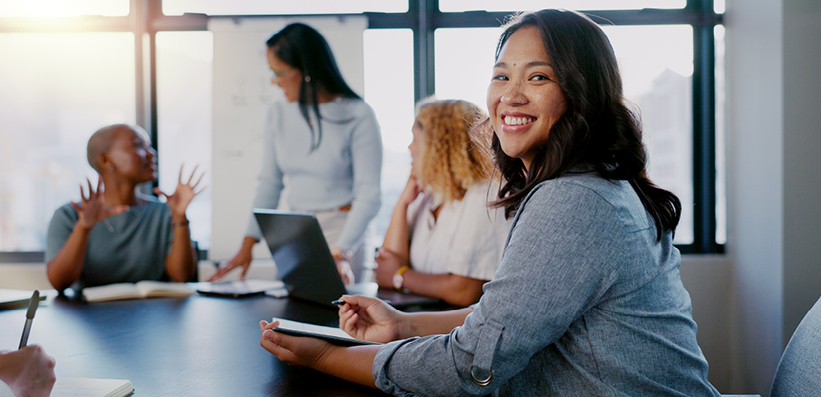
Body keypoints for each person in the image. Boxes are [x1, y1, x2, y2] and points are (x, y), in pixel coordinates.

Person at [258, 9, 721, 396]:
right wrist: (402, 325)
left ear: (581, 94)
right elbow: (504, 319)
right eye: (501, 76)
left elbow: (469, 367)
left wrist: (323, 355)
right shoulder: (584, 185)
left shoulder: (574, 200)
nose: (510, 96)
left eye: (538, 76)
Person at [209, 22, 382, 285]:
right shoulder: (277, 113)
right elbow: (269, 184)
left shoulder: (358, 114)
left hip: (345, 231)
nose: (273, 81)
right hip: (298, 232)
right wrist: (247, 245)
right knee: (293, 314)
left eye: (279, 72)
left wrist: (342, 251)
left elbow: (369, 194)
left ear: (307, 71)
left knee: (347, 318)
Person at [372, 99, 509, 307]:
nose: (410, 148)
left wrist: (400, 276)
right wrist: (402, 205)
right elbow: (387, 262)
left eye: (415, 139)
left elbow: (463, 292)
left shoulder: (485, 196)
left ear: (440, 147)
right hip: (422, 315)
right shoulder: (431, 196)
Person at [46, 124, 202, 292]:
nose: (151, 153)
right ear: (105, 160)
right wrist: (84, 227)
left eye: (148, 145)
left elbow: (182, 277)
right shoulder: (69, 215)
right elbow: (59, 283)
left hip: (152, 313)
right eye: (138, 145)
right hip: (89, 316)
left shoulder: (164, 212)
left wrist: (180, 217)